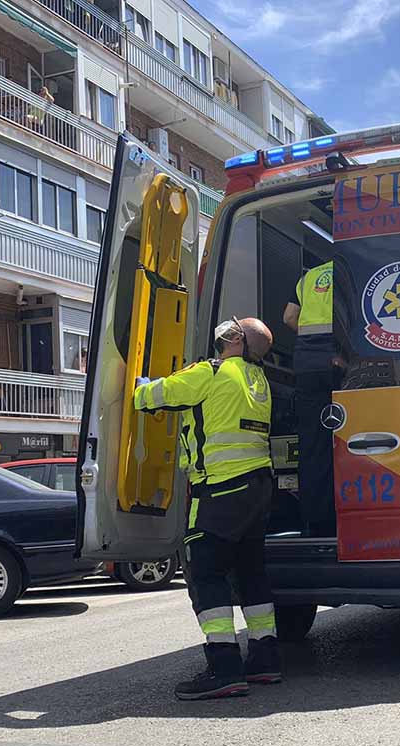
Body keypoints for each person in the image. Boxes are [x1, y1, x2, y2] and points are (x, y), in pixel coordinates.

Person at [133, 317, 280, 701]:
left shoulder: (212, 372)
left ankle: (224, 667)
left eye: (233, 330)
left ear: (236, 340)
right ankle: (265, 660)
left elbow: (149, 398)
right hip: (258, 488)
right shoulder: (257, 380)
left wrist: (141, 385)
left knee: (205, 571)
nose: (225, 332)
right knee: (251, 572)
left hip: (219, 489)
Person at [283, 261, 337, 538]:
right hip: (338, 361)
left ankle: (317, 524)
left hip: (306, 365)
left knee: (313, 446)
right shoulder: (350, 268)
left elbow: (289, 317)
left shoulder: (310, 276)